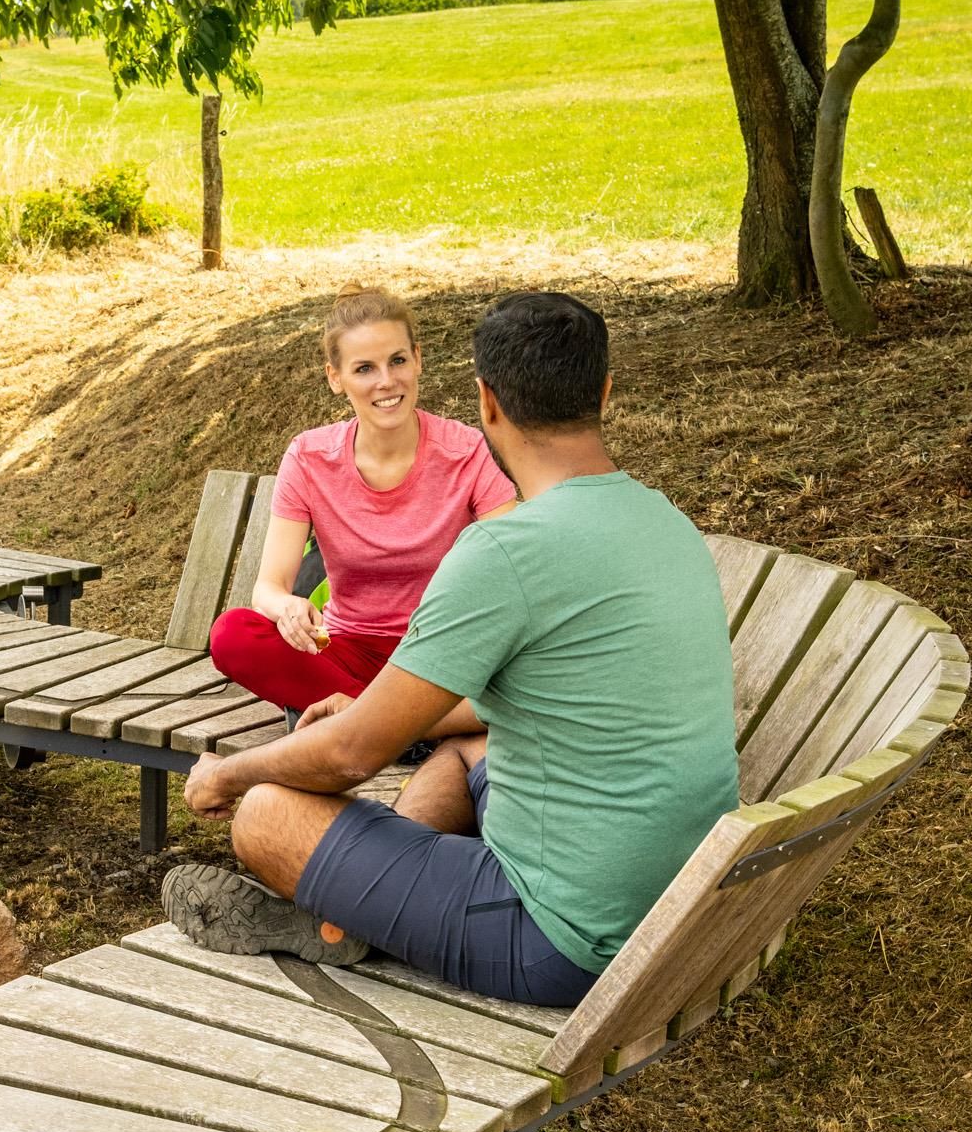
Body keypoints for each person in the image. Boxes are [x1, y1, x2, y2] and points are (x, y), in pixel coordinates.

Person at [163, 290, 739, 1008]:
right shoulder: (666, 521)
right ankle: (361, 903)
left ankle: (351, 907)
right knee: (465, 746)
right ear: (604, 392)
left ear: (486, 402)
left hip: (563, 939)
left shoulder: (507, 548)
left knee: (266, 813)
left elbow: (351, 757)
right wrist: (368, 710)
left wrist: (227, 776)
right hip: (675, 901)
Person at [208, 283, 514, 716]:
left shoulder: (465, 451)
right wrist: (288, 607)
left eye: (398, 360)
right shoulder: (309, 457)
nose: (386, 381)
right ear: (336, 378)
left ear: (418, 359)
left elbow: (513, 569)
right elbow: (268, 589)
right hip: (347, 650)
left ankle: (362, 723)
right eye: (364, 368)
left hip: (442, 654)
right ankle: (396, 725)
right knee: (232, 633)